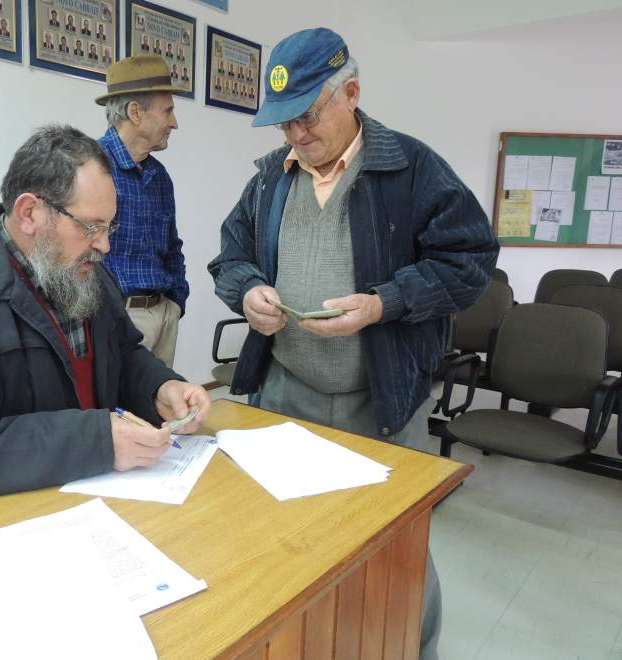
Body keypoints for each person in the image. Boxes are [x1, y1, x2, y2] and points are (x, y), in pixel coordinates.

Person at [207, 28, 498, 660]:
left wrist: (385, 302)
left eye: (308, 117)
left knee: (395, 550)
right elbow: (228, 257)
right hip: (286, 391)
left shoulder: (412, 168)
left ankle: (412, 649)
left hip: (381, 399)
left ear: (352, 94)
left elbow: (471, 261)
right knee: (285, 539)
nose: (296, 136)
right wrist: (249, 290)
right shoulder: (268, 179)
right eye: (283, 124)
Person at [0, 125, 210, 506]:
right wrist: (95, 441)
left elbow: (124, 354)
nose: (104, 245)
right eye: (91, 227)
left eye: (109, 226)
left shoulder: (85, 273)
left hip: (68, 493)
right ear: (30, 212)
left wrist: (160, 388)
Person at [95, 56, 188, 369]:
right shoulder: (91, 168)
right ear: (135, 112)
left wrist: (176, 301)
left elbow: (172, 247)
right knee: (122, 414)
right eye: (168, 111)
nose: (174, 123)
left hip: (164, 313)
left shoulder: (159, 176)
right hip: (117, 319)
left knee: (160, 412)